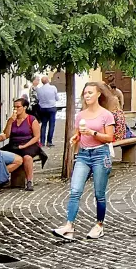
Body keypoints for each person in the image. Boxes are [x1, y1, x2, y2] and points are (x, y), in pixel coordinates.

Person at [54, 82, 116, 241]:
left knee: (99, 193)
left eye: (90, 92)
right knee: (75, 191)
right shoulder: (80, 115)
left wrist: (92, 132)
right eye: (85, 93)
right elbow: (78, 135)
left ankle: (99, 225)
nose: (87, 95)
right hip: (83, 155)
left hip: (100, 155)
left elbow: (109, 138)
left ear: (98, 94)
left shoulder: (106, 115)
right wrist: (75, 138)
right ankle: (69, 226)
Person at [3, 98, 46, 187]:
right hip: (14, 144)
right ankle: (0, 178)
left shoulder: (31, 119)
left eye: (18, 107)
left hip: (29, 143)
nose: (15, 109)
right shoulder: (12, 120)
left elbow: (37, 136)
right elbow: (6, 135)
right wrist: (10, 122)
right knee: (1, 155)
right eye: (14, 107)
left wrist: (25, 145)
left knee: (27, 157)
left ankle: (29, 181)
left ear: (25, 107)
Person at [32, 74, 62, 146]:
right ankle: (49, 141)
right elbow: (57, 98)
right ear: (48, 81)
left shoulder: (39, 90)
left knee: (44, 125)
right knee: (51, 125)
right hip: (51, 108)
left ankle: (42, 142)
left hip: (43, 108)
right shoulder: (53, 88)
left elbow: (38, 99)